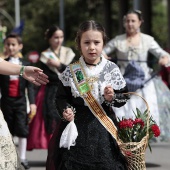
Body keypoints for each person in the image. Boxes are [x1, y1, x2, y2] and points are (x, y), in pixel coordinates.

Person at [46, 20, 130, 170]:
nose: (92, 47)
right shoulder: (71, 71)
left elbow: (124, 96)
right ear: (79, 44)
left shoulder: (111, 69)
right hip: (77, 131)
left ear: (103, 43)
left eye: (96, 42)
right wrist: (65, 109)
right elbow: (60, 97)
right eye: (87, 42)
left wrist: (112, 97)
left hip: (105, 131)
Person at [103, 10, 170, 141]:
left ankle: (139, 152)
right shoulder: (118, 40)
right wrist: (104, 56)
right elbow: (102, 52)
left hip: (144, 84)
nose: (130, 24)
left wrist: (164, 58)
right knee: (122, 114)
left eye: (133, 21)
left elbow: (164, 55)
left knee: (144, 115)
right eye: (127, 21)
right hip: (122, 82)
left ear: (140, 22)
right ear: (124, 23)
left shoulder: (148, 40)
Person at [27, 25, 75, 150]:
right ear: (49, 39)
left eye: (61, 37)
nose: (59, 40)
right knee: (51, 119)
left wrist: (59, 65)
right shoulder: (45, 55)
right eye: (55, 37)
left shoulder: (68, 52)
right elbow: (45, 76)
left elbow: (73, 72)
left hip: (68, 90)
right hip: (50, 91)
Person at [0, 46, 48, 169]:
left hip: (20, 102)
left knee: (21, 129)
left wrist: (22, 69)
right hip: (6, 102)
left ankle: (22, 157)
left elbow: (30, 88)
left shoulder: (21, 63)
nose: (11, 47)